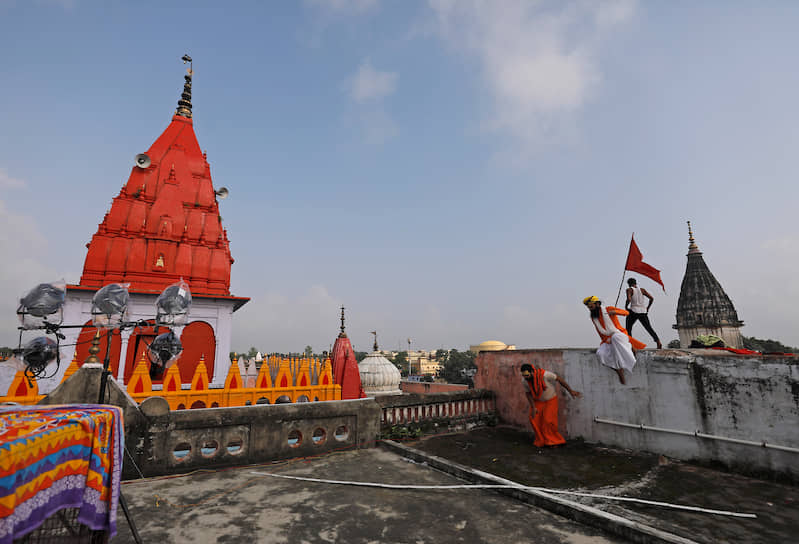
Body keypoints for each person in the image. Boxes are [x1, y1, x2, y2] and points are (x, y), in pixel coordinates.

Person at [583, 296, 646, 384]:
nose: (590, 309)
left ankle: (630, 349)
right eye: (588, 308)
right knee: (600, 354)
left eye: (591, 307)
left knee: (615, 337)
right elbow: (600, 332)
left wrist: (615, 312)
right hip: (607, 339)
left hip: (619, 335)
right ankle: (618, 370)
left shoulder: (609, 309)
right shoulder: (594, 317)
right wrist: (606, 340)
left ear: (597, 304)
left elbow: (626, 313)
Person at [520, 363, 581, 447]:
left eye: (526, 375)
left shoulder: (544, 375)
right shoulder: (525, 381)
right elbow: (528, 394)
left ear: (532, 372)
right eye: (523, 375)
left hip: (550, 400)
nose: (525, 377)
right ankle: (541, 441)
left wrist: (570, 391)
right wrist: (533, 407)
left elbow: (559, 379)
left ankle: (554, 441)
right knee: (533, 419)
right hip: (538, 402)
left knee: (548, 420)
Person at [624, 278, 662, 349]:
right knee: (648, 327)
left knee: (628, 328)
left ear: (629, 284)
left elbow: (629, 299)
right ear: (636, 283)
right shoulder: (642, 290)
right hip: (643, 311)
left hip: (633, 311)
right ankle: (658, 341)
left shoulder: (629, 290)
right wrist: (647, 308)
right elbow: (651, 298)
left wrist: (626, 306)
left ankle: (631, 345)